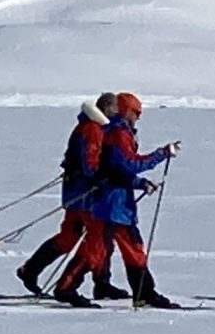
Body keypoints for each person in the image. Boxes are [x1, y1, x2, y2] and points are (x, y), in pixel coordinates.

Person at [69, 92, 180, 309]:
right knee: (99, 249)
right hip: (111, 204)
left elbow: (119, 169)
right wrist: (161, 154)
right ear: (127, 111)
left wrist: (140, 183)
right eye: (137, 113)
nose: (138, 118)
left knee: (128, 248)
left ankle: (143, 292)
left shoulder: (113, 131)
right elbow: (128, 165)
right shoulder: (118, 133)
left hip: (116, 204)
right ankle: (67, 287)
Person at [16, 94, 125, 306]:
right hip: (83, 194)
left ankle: (32, 270)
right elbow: (89, 161)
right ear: (107, 108)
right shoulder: (92, 128)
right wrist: (102, 177)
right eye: (115, 108)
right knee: (97, 238)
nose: (117, 112)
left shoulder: (89, 125)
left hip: (75, 190)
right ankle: (70, 284)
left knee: (71, 236)